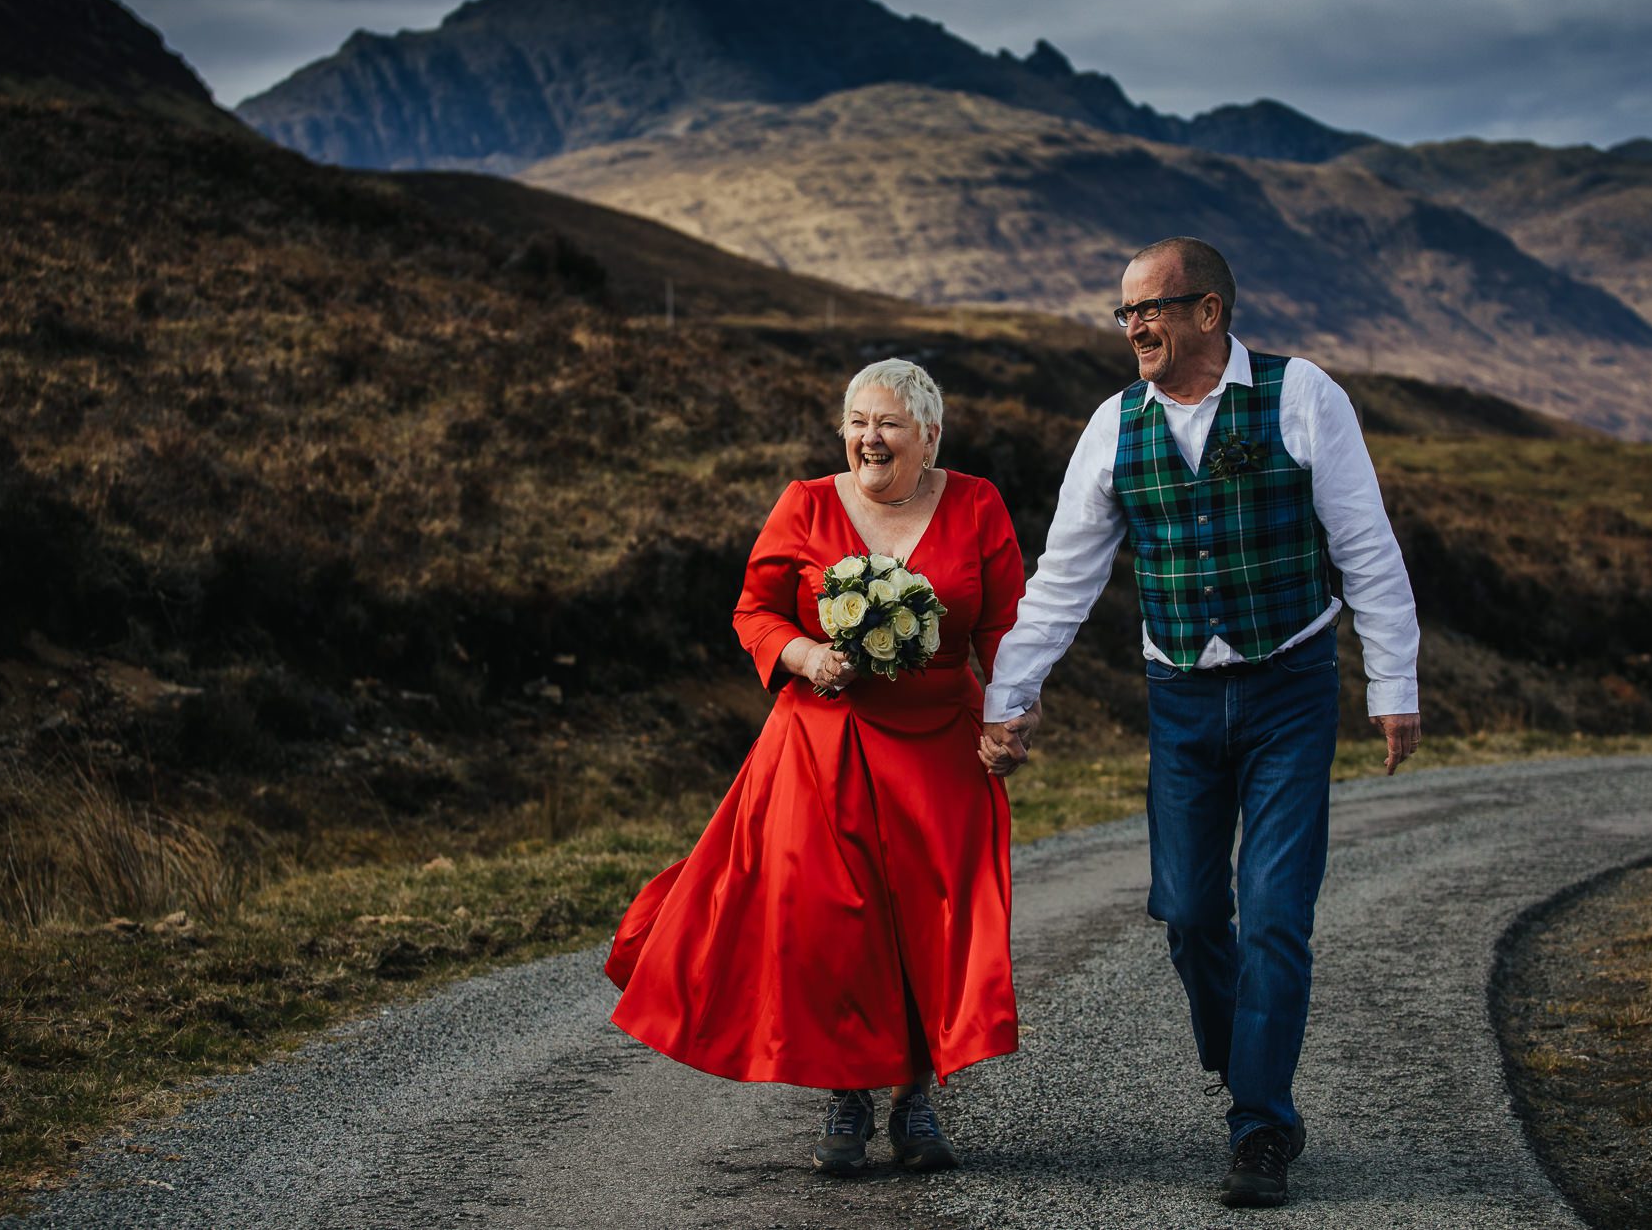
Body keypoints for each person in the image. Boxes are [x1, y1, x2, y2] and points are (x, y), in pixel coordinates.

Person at [978, 237, 1421, 1209]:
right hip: (1178, 695)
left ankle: (1260, 1122)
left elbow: (1365, 548)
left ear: (1208, 312)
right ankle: (1243, 1054)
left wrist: (1393, 685)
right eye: (1123, 311)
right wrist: (1006, 699)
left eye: (1151, 308)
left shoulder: (1301, 396)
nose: (1133, 326)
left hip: (1288, 688)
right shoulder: (1112, 425)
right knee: (1184, 911)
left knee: (1272, 910)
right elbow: (1064, 578)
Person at [605, 358, 1026, 1176]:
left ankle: (914, 1098)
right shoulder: (804, 503)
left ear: (929, 435)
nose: (870, 437)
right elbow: (753, 609)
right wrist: (803, 654)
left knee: (927, 920)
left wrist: (1014, 714)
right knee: (835, 919)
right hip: (820, 740)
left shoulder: (977, 503)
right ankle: (847, 1090)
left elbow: (1007, 625)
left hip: (942, 740)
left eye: (889, 423)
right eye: (858, 421)